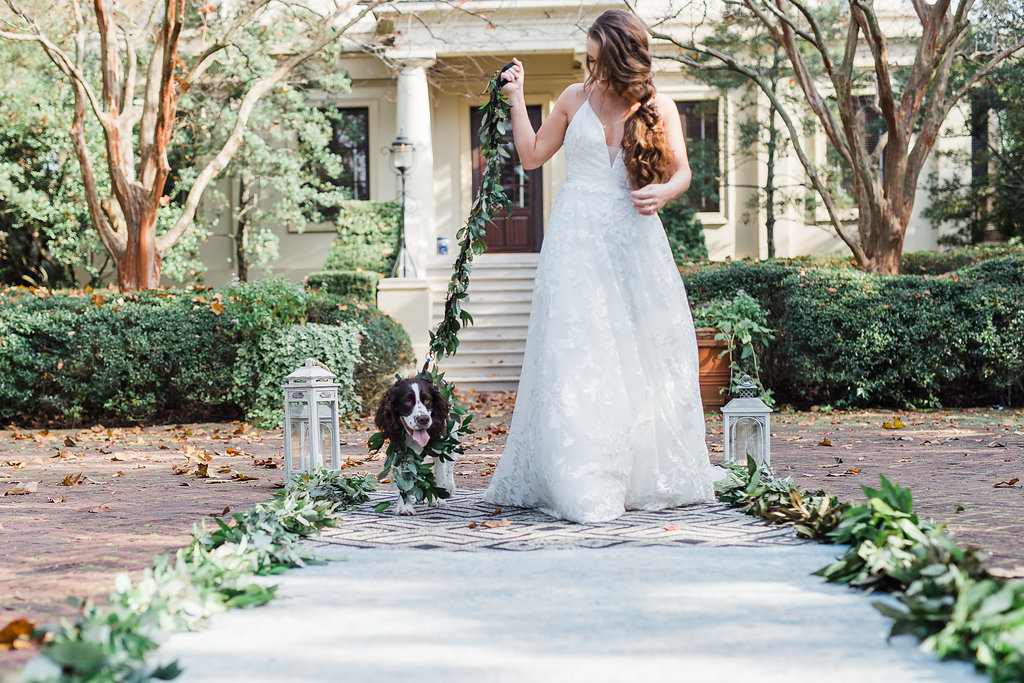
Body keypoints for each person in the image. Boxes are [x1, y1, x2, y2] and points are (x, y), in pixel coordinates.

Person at [482, 9, 718, 524]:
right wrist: (517, 98)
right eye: (588, 60)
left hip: (634, 238)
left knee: (640, 351)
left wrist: (664, 191)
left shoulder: (658, 106)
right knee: (578, 350)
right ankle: (580, 471)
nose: (592, 70)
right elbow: (531, 155)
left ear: (623, 59)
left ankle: (637, 471)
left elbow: (682, 171)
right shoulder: (573, 99)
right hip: (575, 241)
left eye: (599, 61)